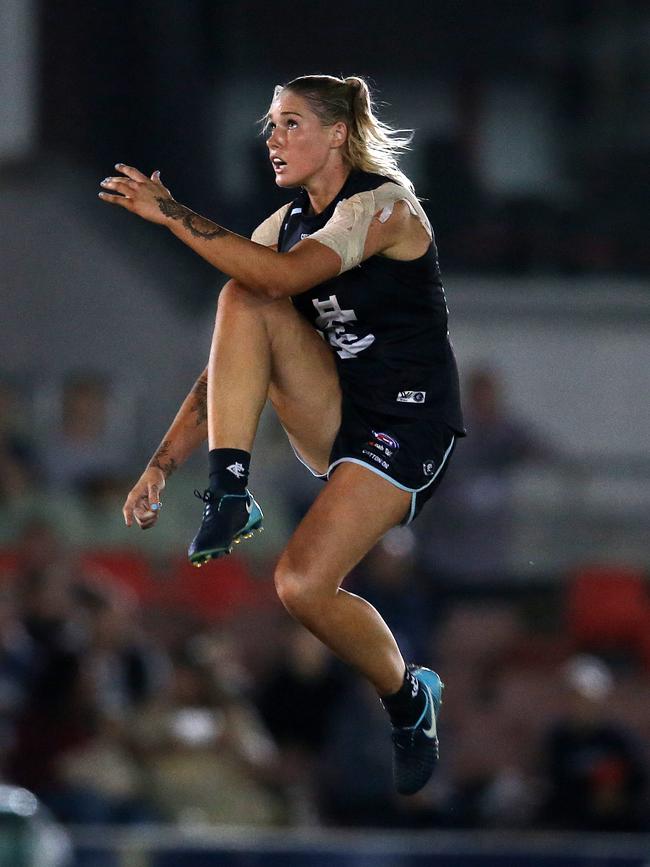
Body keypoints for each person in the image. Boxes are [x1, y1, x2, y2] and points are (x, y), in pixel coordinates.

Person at [98, 74, 465, 796]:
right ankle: (229, 490)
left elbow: (289, 273)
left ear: (336, 133)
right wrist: (163, 464)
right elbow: (227, 364)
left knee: (300, 583)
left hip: (408, 423)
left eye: (289, 123)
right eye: (269, 125)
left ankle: (406, 695)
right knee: (242, 297)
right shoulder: (285, 222)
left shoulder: (385, 205)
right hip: (337, 413)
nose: (271, 138)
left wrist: (172, 214)